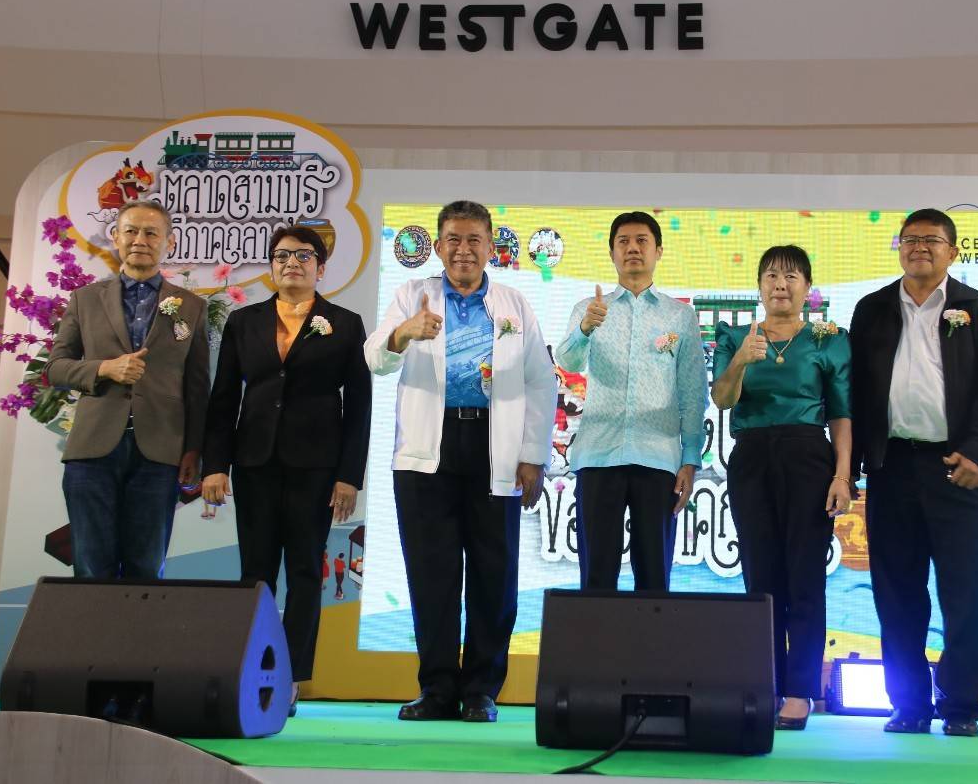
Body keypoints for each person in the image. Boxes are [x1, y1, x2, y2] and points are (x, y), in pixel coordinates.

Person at [365, 200, 557, 724]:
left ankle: (481, 691)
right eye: (453, 239)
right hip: (427, 451)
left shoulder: (514, 303)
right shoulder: (413, 295)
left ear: (491, 247)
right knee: (432, 573)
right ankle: (436, 689)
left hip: (497, 447)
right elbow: (374, 357)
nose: (463, 249)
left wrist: (533, 455)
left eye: (474, 239)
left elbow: (541, 382)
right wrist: (405, 332)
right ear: (437, 245)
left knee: (495, 573)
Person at [850, 208, 978, 738]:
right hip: (893, 468)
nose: (919, 247)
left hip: (961, 469)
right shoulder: (872, 309)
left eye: (931, 240)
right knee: (897, 594)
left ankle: (961, 706)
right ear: (899, 247)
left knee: (966, 595)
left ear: (953, 251)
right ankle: (909, 704)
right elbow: (857, 392)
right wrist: (852, 465)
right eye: (910, 239)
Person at [202, 225, 372, 718]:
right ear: (271, 266)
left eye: (303, 256)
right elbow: (223, 398)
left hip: (316, 466)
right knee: (254, 572)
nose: (291, 264)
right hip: (253, 462)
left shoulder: (345, 323)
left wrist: (349, 475)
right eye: (281, 256)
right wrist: (215, 465)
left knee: (304, 571)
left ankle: (291, 677)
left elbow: (359, 406)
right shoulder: (244, 321)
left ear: (321, 267)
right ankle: (251, 668)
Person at [711, 245, 853, 731]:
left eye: (792, 276)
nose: (781, 284)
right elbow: (722, 400)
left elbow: (842, 413)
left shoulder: (828, 340)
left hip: (808, 456)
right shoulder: (736, 337)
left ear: (807, 288)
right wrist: (739, 362)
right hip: (751, 458)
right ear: (758, 286)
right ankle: (765, 684)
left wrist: (842, 475)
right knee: (761, 575)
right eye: (771, 275)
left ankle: (800, 690)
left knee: (805, 576)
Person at [46, 199, 208, 580]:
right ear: (115, 237)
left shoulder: (192, 307)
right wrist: (105, 368)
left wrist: (194, 449)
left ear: (169, 242)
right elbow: (55, 368)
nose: (140, 240)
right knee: (90, 568)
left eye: (151, 233)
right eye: (131, 231)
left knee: (146, 570)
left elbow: (198, 387)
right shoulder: (85, 299)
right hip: (92, 451)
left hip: (160, 452)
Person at [555, 211, 708, 592]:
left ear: (659, 251)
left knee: (654, 577)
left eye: (642, 240)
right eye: (623, 242)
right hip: (599, 456)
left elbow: (693, 391)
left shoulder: (680, 316)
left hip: (658, 458)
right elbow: (568, 362)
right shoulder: (590, 308)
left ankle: (652, 636)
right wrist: (586, 328)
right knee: (596, 578)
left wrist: (690, 458)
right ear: (612, 253)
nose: (633, 248)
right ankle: (596, 635)